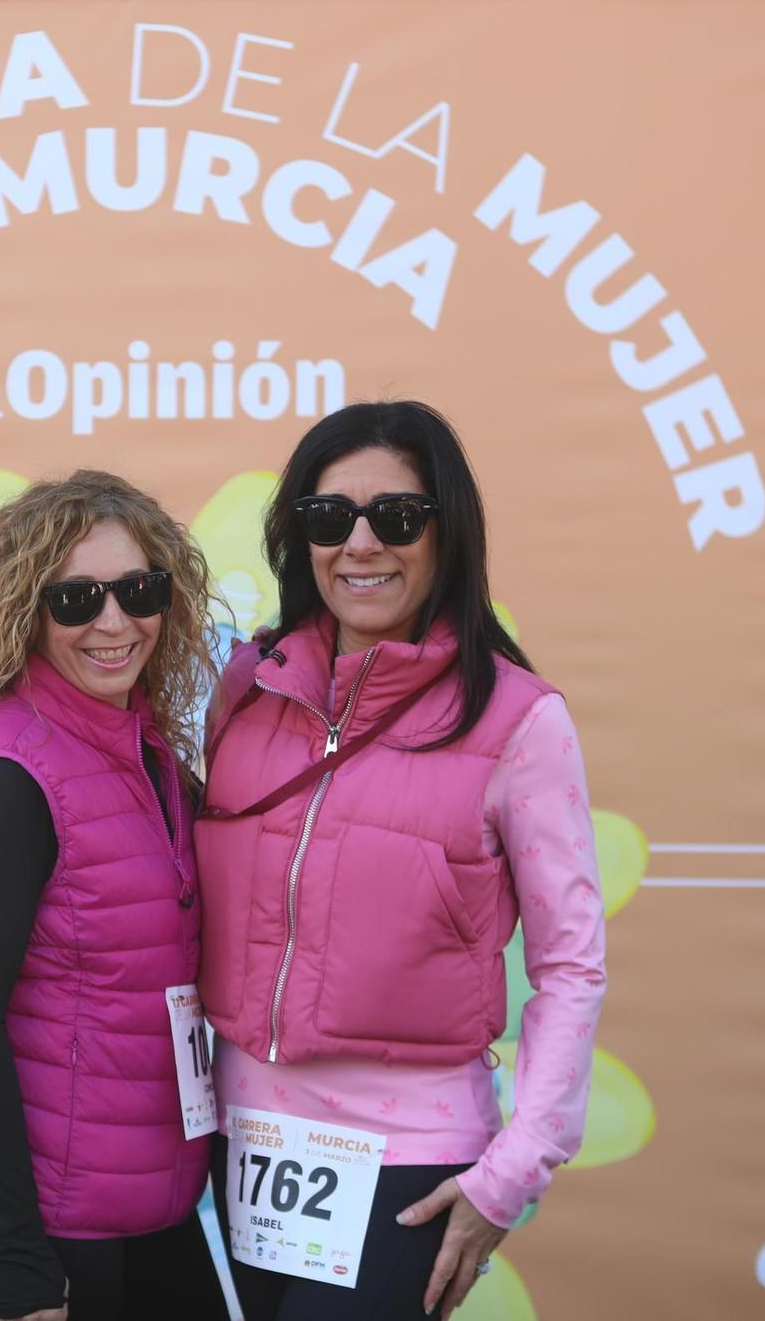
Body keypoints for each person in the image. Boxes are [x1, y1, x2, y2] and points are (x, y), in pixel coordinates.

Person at [196, 402, 608, 1321]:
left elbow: (571, 963)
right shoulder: (248, 688)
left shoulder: (520, 721)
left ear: (446, 532)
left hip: (405, 1159)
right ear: (298, 538)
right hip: (242, 1143)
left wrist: (514, 1169)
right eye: (328, 518)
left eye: (398, 516)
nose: (361, 543)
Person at [0, 469, 230, 1321]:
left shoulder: (150, 754)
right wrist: (19, 1263)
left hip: (148, 1209)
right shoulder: (15, 773)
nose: (113, 621)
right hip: (44, 1235)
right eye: (76, 598)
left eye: (138, 589)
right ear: (27, 610)